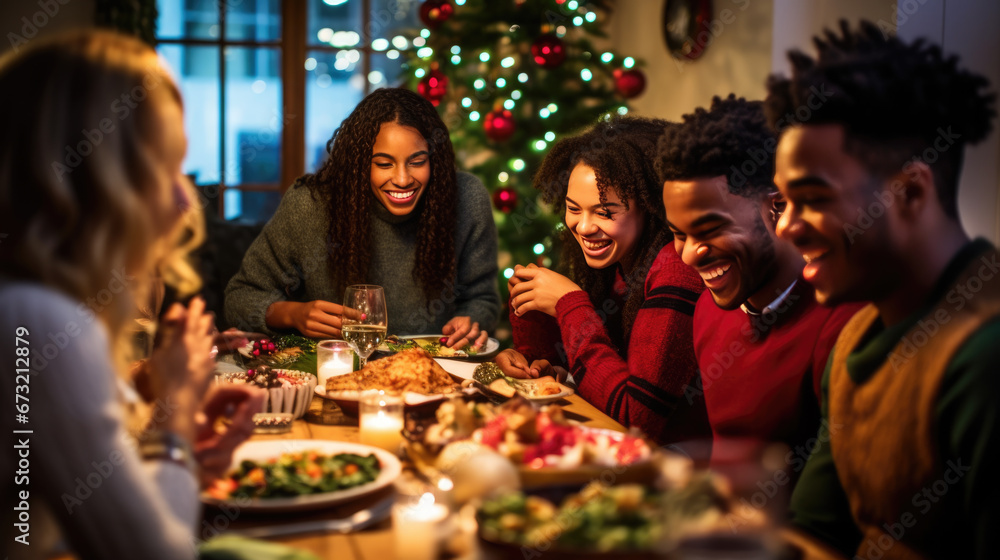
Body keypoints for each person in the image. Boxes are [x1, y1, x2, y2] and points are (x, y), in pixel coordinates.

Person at [0, 31, 263, 559]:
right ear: (93, 179)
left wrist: (167, 437)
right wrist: (177, 420)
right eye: (162, 169)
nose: (182, 204)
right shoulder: (35, 317)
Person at [768, 21, 998, 559]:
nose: (786, 227)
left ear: (911, 191)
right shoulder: (856, 335)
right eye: (783, 202)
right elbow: (814, 532)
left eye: (813, 198)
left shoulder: (986, 356)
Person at [657, 95, 863, 469]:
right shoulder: (708, 307)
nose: (688, 255)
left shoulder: (842, 319)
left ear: (779, 206)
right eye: (679, 234)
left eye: (709, 230)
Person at [225, 88, 499, 349]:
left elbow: (482, 299)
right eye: (383, 164)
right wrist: (293, 314)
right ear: (358, 164)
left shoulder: (467, 199)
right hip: (334, 376)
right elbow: (240, 298)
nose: (403, 179)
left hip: (433, 375)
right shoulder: (309, 205)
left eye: (417, 161)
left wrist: (471, 321)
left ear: (434, 160)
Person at [497, 116, 710, 446]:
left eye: (604, 212)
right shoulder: (615, 264)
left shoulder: (676, 270)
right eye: (573, 209)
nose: (583, 227)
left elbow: (635, 418)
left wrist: (569, 304)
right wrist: (540, 359)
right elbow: (604, 369)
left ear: (650, 207)